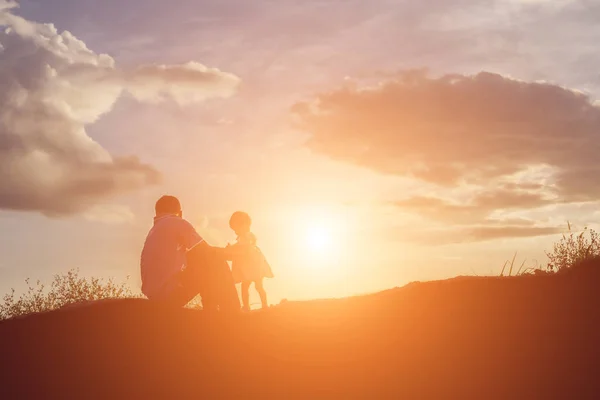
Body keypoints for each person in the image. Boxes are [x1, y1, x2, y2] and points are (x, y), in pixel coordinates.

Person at [140, 195, 240, 311]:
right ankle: (233, 312)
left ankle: (211, 310)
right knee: (215, 260)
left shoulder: (154, 231)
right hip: (170, 294)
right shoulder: (178, 222)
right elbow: (206, 251)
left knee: (197, 256)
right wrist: (232, 253)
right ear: (180, 213)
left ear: (157, 213)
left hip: (154, 295)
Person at [227, 211, 274, 311]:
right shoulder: (243, 237)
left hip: (254, 266)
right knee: (247, 286)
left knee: (258, 286)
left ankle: (264, 305)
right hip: (248, 267)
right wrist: (232, 248)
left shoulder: (247, 236)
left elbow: (243, 246)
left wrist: (231, 248)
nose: (235, 231)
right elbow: (241, 247)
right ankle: (247, 306)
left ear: (244, 225)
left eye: (236, 228)